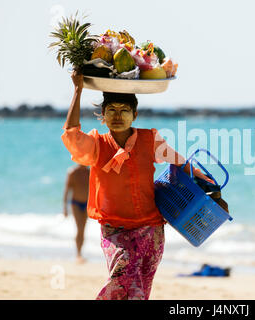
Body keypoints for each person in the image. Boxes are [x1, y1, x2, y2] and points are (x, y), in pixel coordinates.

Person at [61, 70, 212, 300]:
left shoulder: (149, 140)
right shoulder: (97, 145)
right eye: (111, 110)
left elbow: (179, 161)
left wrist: (206, 182)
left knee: (140, 291)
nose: (118, 116)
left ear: (135, 114)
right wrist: (78, 89)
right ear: (103, 115)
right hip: (114, 230)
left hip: (151, 230)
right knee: (121, 275)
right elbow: (72, 135)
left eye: (124, 110)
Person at [63, 164, 90, 264]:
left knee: (83, 229)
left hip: (87, 204)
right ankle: (78, 254)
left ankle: (80, 253)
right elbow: (67, 190)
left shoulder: (89, 172)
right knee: (79, 228)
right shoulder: (73, 172)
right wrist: (65, 208)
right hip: (76, 203)